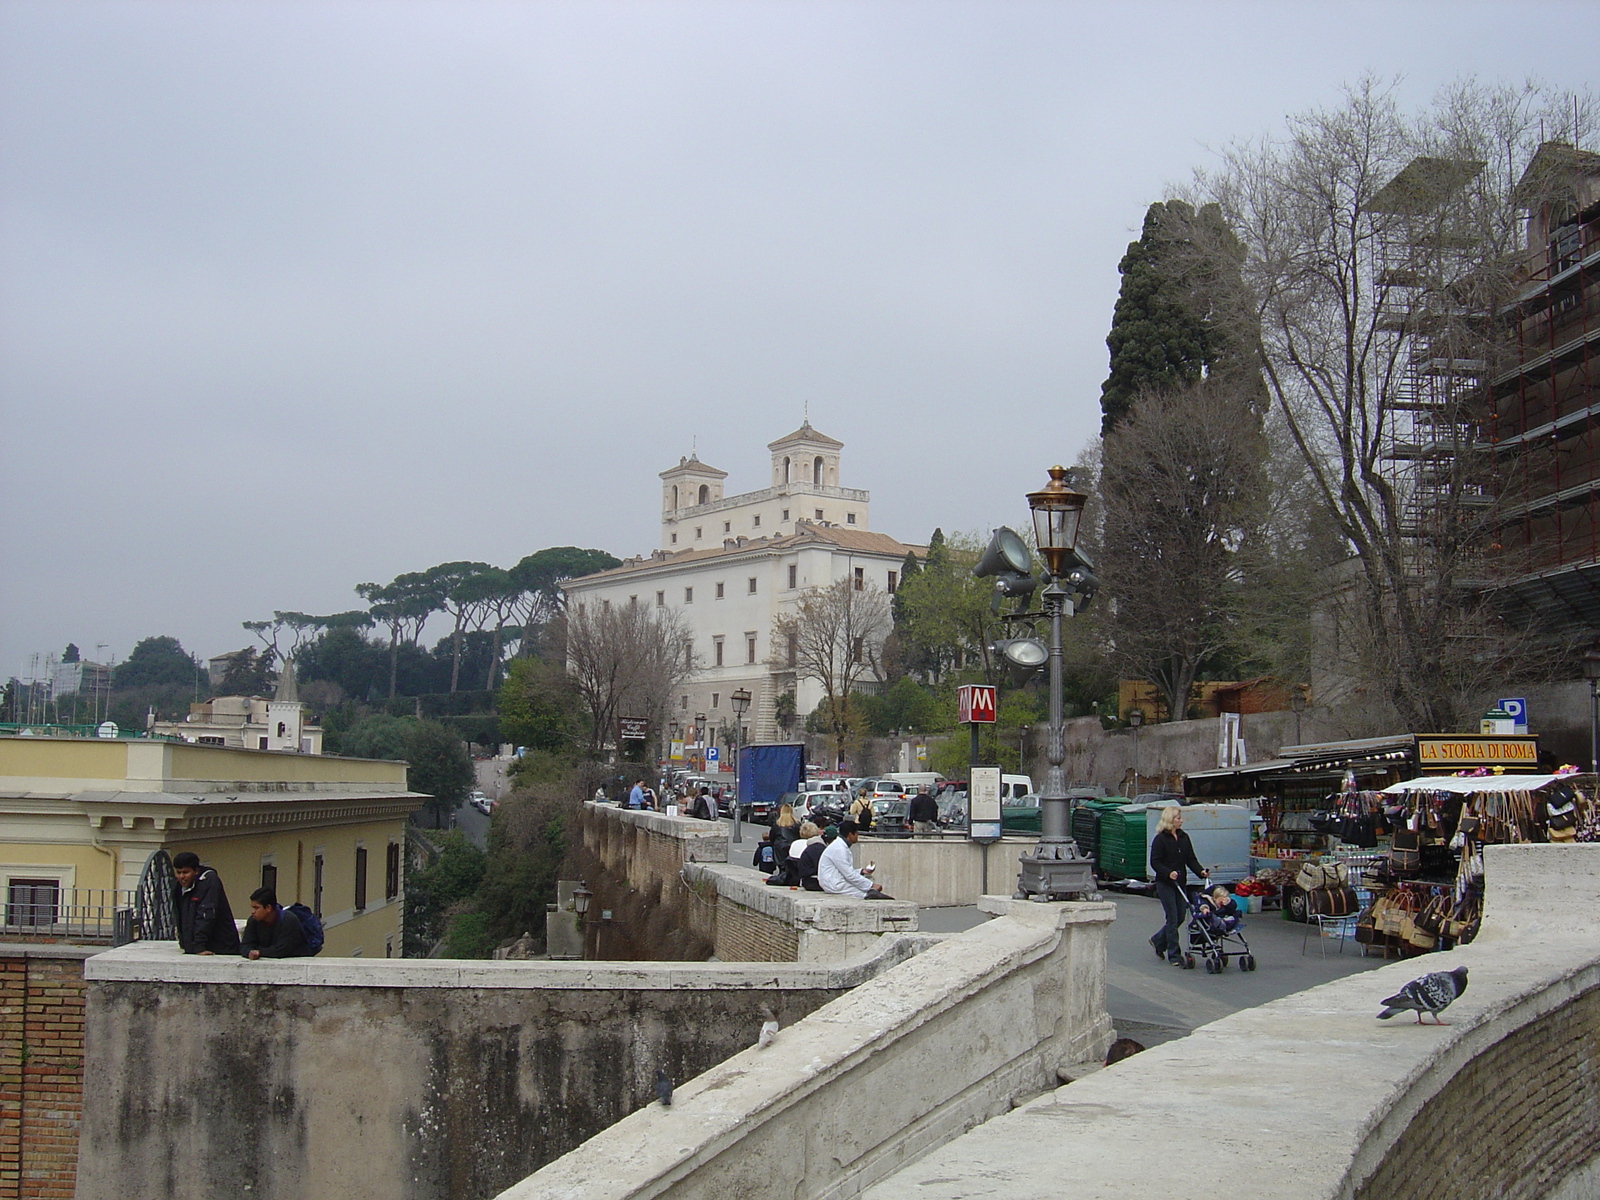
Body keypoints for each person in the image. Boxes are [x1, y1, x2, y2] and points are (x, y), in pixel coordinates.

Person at [1148, 805, 1208, 965]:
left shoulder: (1184, 837)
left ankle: (1158, 940)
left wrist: (1201, 872)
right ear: (1170, 820)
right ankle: (1174, 955)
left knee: (1181, 916)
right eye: (1178, 818)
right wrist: (1168, 873)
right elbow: (1155, 862)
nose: (1181, 821)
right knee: (1172, 917)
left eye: (1180, 818)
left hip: (1180, 883)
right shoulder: (1160, 839)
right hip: (1165, 883)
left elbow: (1191, 859)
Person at [172, 851, 241, 956]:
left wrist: (199, 946)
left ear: (196, 871)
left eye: (185, 872)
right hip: (194, 948)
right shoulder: (179, 887)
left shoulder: (209, 881)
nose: (181, 877)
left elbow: (206, 915)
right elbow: (180, 916)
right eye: (178, 872)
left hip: (220, 948)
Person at [819, 820, 893, 899]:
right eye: (857, 833)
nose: (857, 836)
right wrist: (871, 885)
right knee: (868, 896)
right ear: (850, 835)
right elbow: (849, 874)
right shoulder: (839, 849)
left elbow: (844, 870)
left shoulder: (839, 846)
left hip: (836, 881)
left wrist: (861, 871)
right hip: (834, 884)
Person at [239, 887, 311, 959]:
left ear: (268, 908)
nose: (253, 912)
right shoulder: (253, 920)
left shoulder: (289, 920)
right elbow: (245, 945)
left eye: (256, 908)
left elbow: (282, 950)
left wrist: (259, 952)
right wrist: (249, 952)